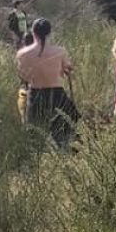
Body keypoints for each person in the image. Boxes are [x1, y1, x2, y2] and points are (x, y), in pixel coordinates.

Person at [16, 18, 79, 150]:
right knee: (65, 137)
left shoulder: (22, 54)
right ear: (49, 33)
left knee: (35, 138)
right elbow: (66, 70)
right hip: (57, 96)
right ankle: (66, 158)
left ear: (33, 32)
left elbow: (23, 77)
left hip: (36, 96)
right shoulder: (60, 51)